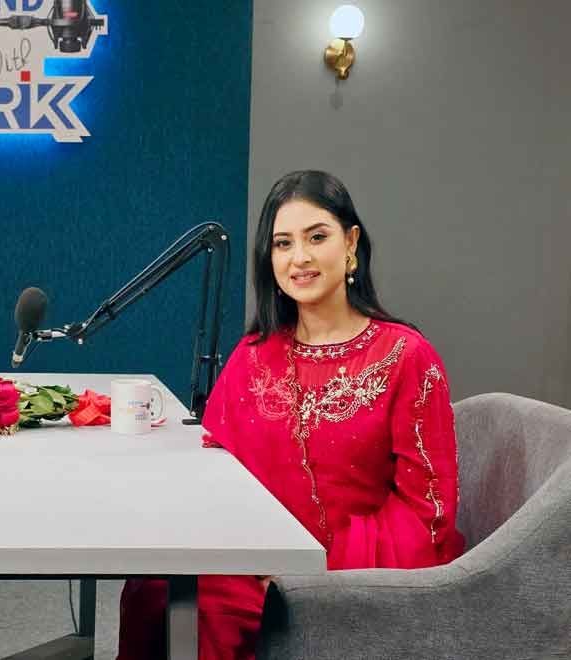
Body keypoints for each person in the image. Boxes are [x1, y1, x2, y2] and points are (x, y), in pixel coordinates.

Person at [117, 170, 466, 659]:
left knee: (203, 613)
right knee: (155, 586)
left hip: (345, 574)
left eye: (316, 237)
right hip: (248, 556)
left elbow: (427, 511)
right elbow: (219, 467)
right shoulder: (254, 354)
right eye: (283, 243)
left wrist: (309, 573)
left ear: (351, 243)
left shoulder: (405, 357)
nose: (299, 257)